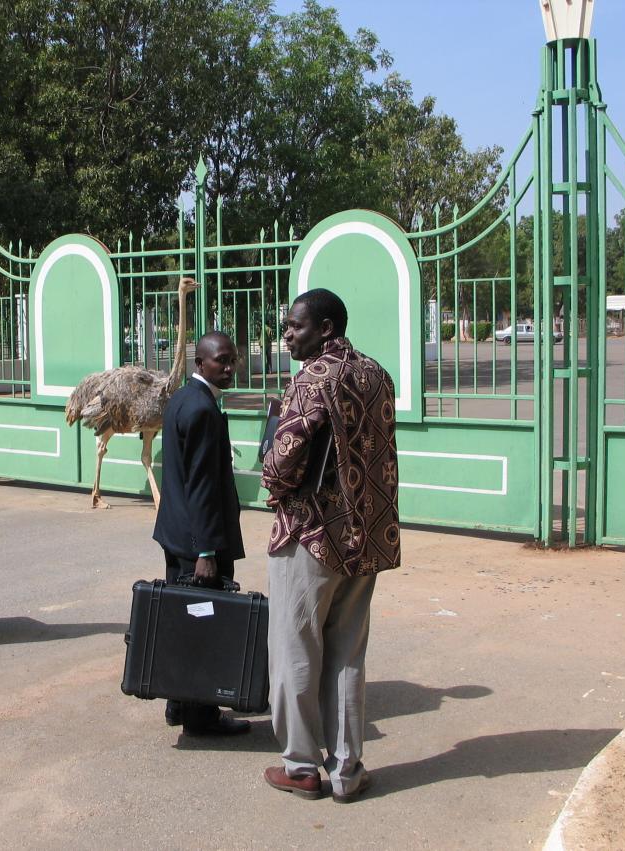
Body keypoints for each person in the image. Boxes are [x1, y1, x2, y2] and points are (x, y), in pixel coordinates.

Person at [260, 289, 401, 803]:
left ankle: (300, 766)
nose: (287, 334)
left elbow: (280, 466)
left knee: (296, 651)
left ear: (325, 328)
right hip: (368, 536)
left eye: (295, 326)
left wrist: (271, 474)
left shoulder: (311, 379)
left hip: (311, 536)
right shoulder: (377, 375)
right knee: (347, 654)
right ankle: (347, 771)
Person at [152, 330, 250, 736]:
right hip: (197, 541)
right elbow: (203, 486)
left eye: (232, 360)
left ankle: (179, 701)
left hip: (176, 533)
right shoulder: (203, 410)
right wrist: (207, 551)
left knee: (183, 620)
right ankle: (201, 717)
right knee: (202, 626)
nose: (228, 367)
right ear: (200, 364)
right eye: (220, 361)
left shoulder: (182, 399)